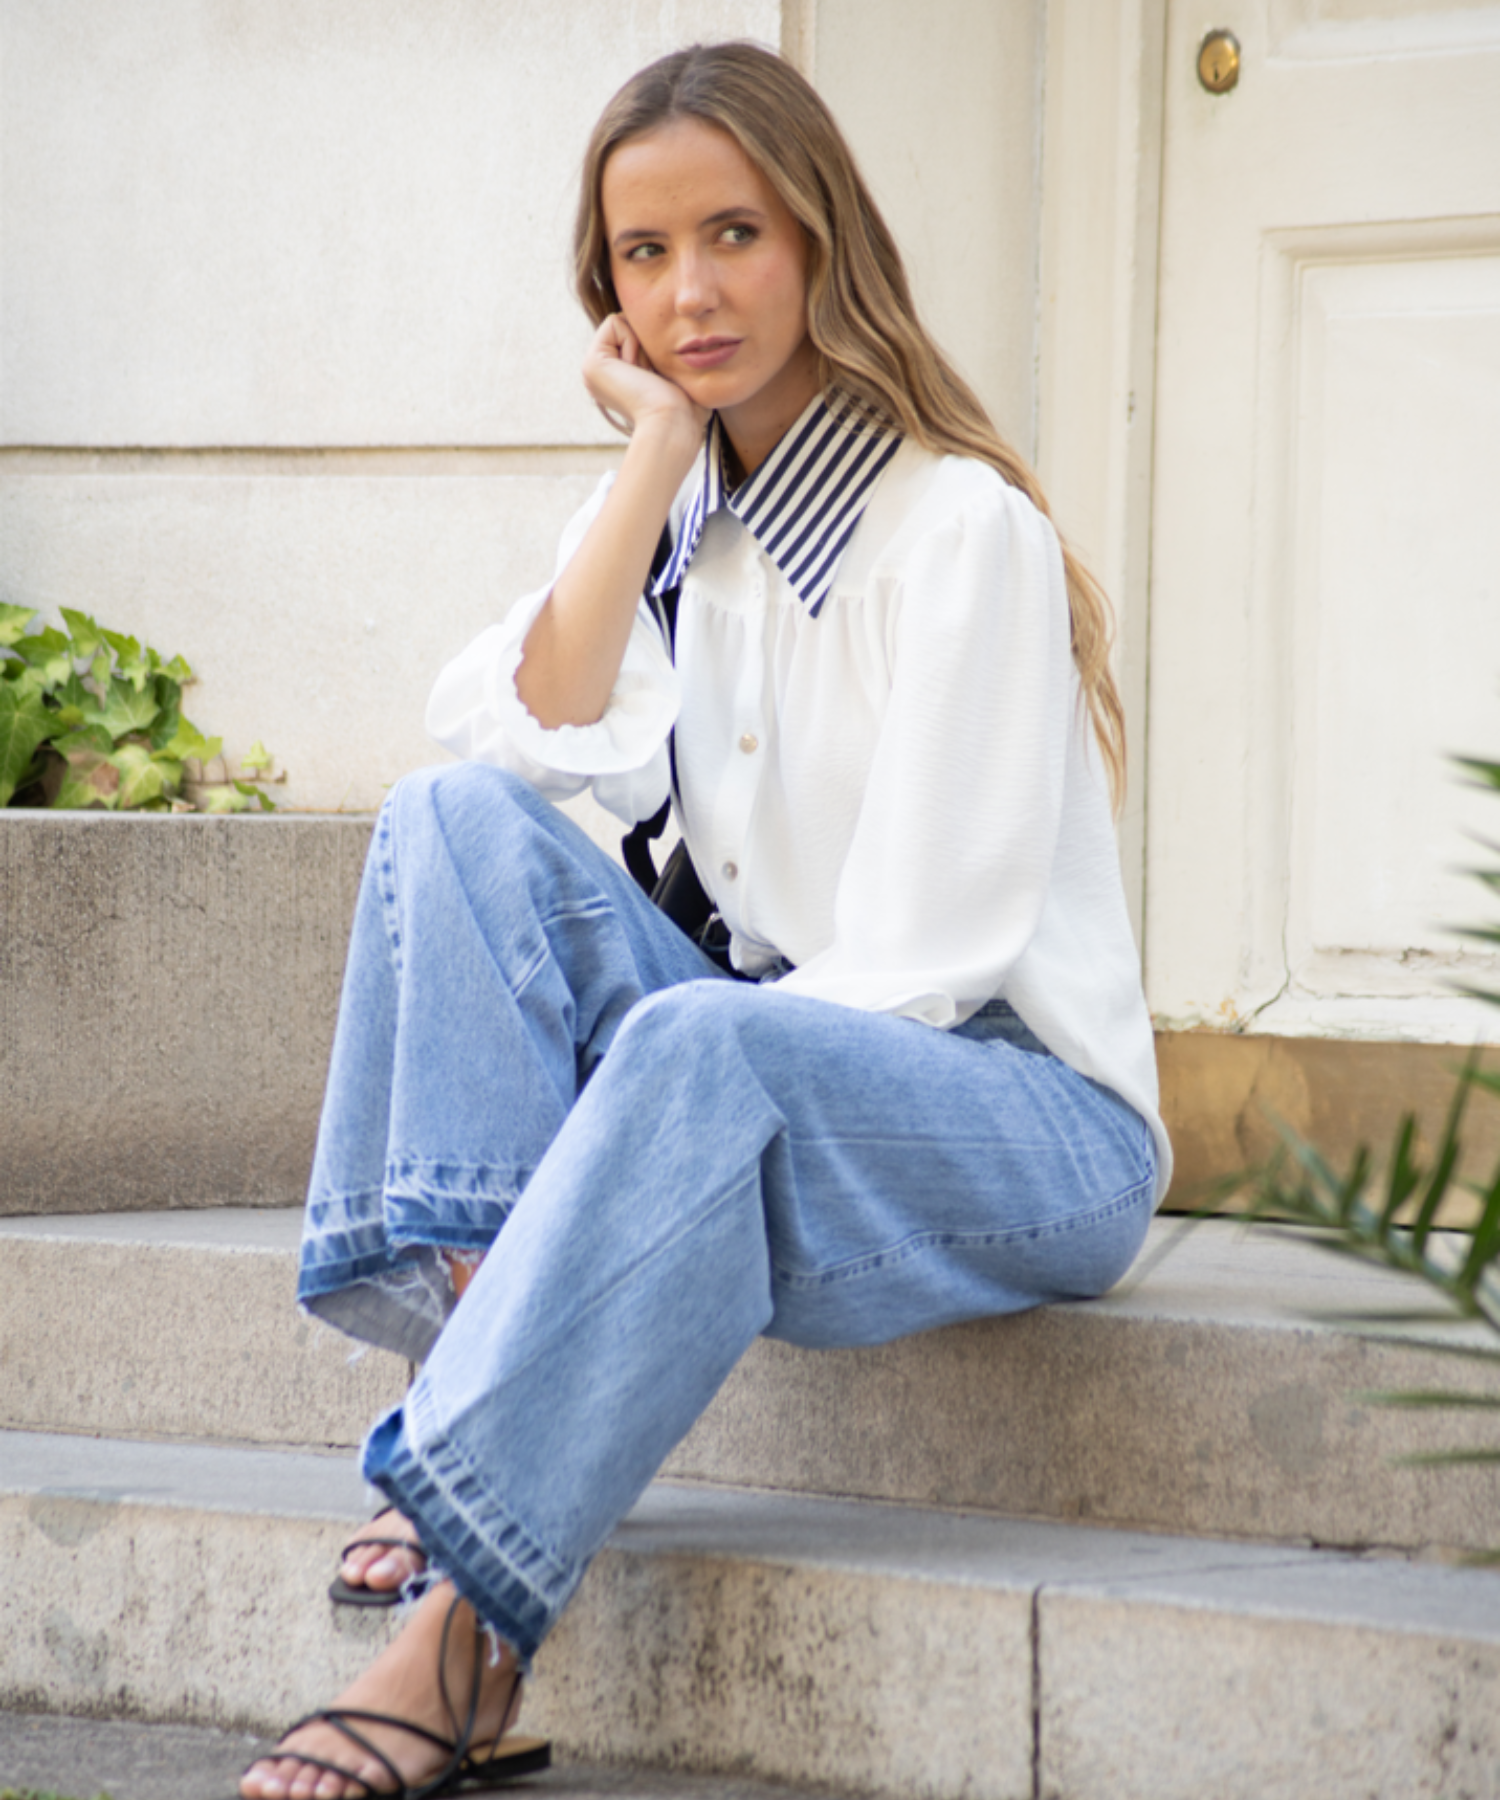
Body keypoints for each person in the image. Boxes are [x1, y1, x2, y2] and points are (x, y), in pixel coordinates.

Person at [239, 38, 1170, 1800]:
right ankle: (469, 1388)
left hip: (1016, 1119)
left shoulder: (957, 528)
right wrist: (656, 456)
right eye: (644, 258)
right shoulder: (697, 531)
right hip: (764, 1062)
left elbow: (930, 953)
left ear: (823, 239)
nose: (692, 293)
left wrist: (645, 1122)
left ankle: (457, 1625)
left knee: (698, 1036)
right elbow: (509, 723)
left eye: (734, 234)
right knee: (453, 822)